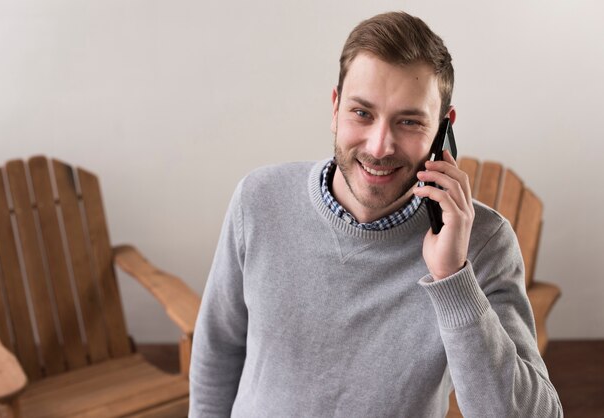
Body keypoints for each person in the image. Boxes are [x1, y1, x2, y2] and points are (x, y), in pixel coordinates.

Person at [189, 11, 563, 417]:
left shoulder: (484, 242)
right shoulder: (257, 200)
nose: (380, 146)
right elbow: (218, 351)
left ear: (443, 129)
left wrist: (453, 277)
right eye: (362, 113)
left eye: (409, 121)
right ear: (335, 108)